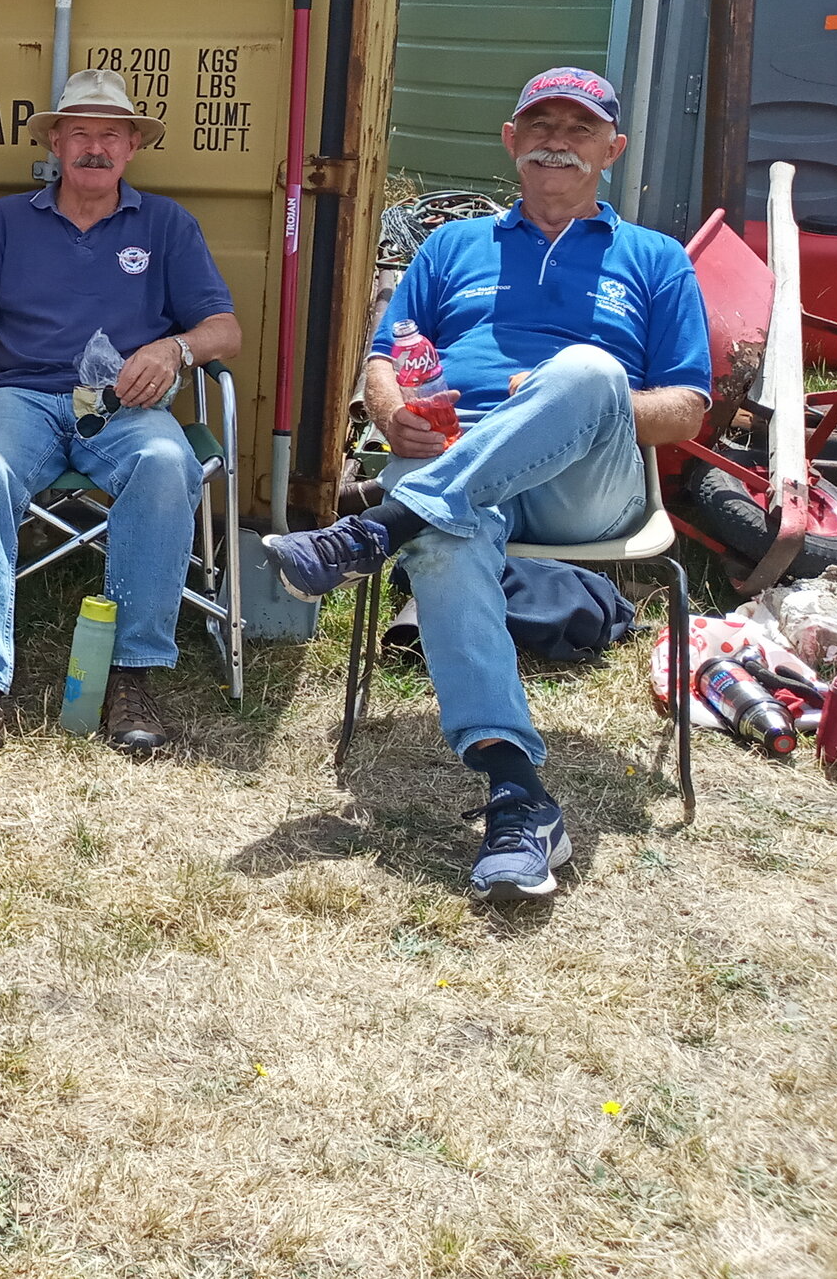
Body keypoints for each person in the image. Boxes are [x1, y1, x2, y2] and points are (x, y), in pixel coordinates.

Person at [263, 66, 710, 903]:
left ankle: (375, 529)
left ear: (611, 149)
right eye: (540, 124)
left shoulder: (654, 258)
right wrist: (391, 412)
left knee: (581, 369)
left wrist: (558, 400)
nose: (557, 141)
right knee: (447, 524)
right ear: (511, 142)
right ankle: (517, 794)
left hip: (588, 485)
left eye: (580, 129)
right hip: (459, 469)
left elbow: (686, 407)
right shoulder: (452, 246)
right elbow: (384, 358)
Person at [0, 70, 242, 772]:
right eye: (82, 134)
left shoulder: (166, 225)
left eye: (111, 136)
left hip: (124, 404)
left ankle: (131, 677)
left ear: (132, 148)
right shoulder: (7, 222)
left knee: (164, 463)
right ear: (56, 142)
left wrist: (173, 348)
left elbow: (225, 329)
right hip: (22, 397)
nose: (96, 148)